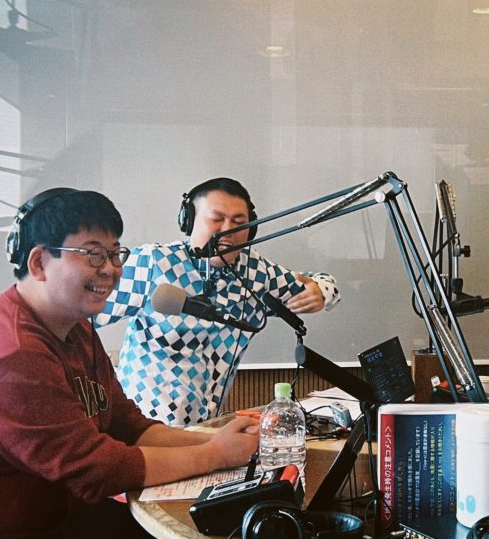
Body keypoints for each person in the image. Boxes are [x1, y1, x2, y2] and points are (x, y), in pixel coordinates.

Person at [0, 187, 259, 539]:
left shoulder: (74, 328)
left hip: (55, 523)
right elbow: (99, 469)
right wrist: (214, 454)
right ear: (39, 262)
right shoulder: (10, 356)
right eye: (93, 254)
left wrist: (213, 443)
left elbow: (127, 424)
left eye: (116, 254)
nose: (112, 269)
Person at [95, 177, 340, 426]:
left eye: (239, 223)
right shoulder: (153, 263)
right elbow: (84, 313)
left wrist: (320, 291)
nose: (227, 230)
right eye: (216, 219)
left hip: (206, 429)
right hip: (140, 429)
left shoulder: (255, 272)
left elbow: (322, 284)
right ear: (189, 220)